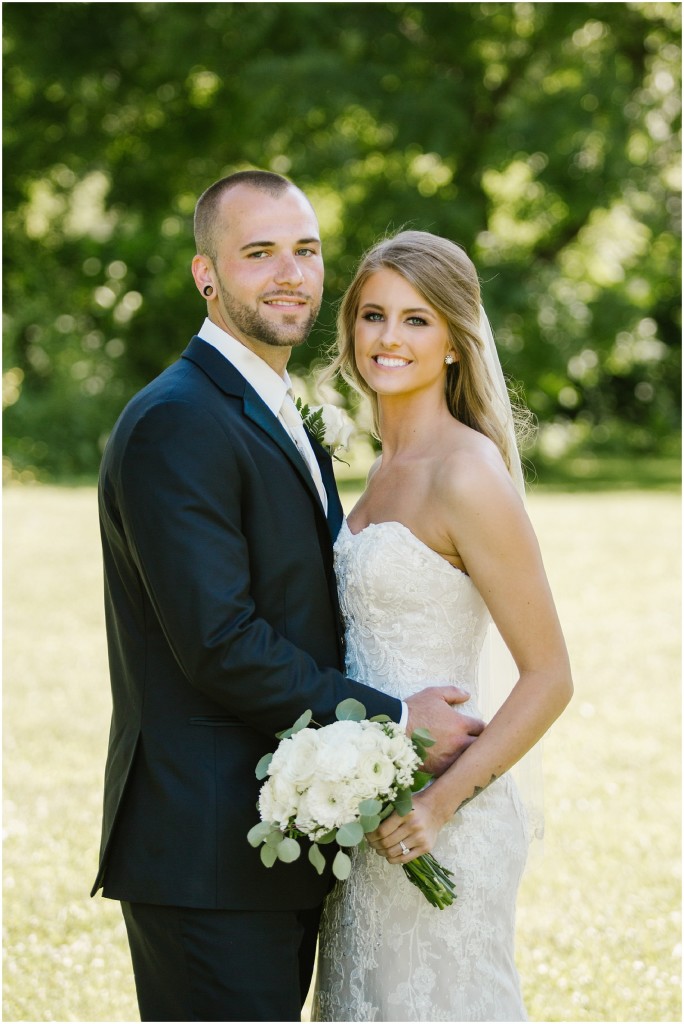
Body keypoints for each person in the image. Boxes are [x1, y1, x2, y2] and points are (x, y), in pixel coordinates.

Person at [91, 172, 486, 1022]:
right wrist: (398, 721)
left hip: (284, 839)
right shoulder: (179, 420)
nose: (290, 274)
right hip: (205, 852)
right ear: (207, 275)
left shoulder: (273, 409)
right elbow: (221, 641)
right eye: (258, 253)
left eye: (304, 251)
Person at [313, 230, 573, 1022]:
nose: (390, 338)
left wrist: (439, 804)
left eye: (418, 320)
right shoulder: (377, 468)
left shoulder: (466, 471)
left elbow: (551, 677)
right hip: (361, 818)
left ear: (457, 341)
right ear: (351, 328)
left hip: (442, 824)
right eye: (374, 316)